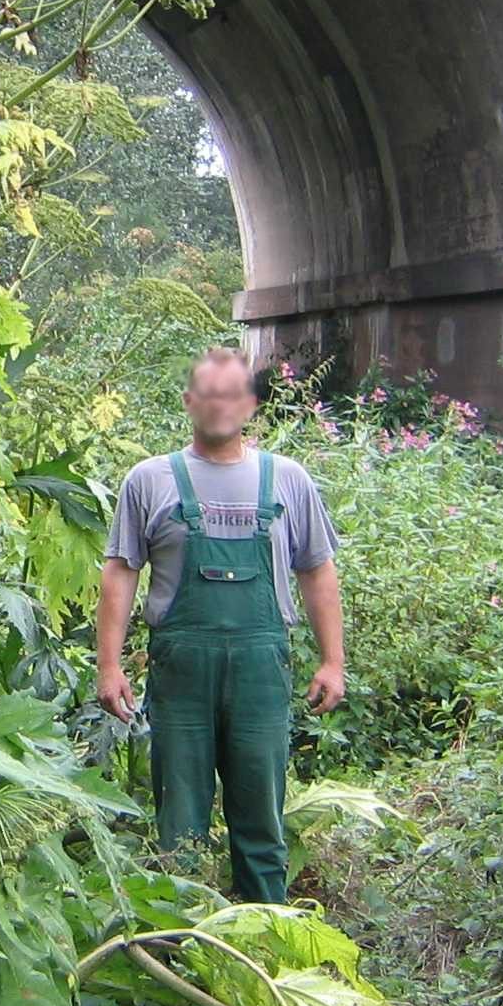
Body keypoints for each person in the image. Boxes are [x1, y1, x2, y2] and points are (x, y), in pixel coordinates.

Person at [93, 346, 345, 903]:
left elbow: (318, 571)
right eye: (208, 394)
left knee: (260, 819)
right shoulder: (149, 481)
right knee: (178, 823)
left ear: (251, 405)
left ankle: (265, 940)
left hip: (260, 669)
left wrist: (333, 660)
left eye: (232, 394)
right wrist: (108, 665)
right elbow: (120, 573)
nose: (220, 405)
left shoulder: (289, 480)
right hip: (181, 671)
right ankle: (176, 945)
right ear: (189, 402)